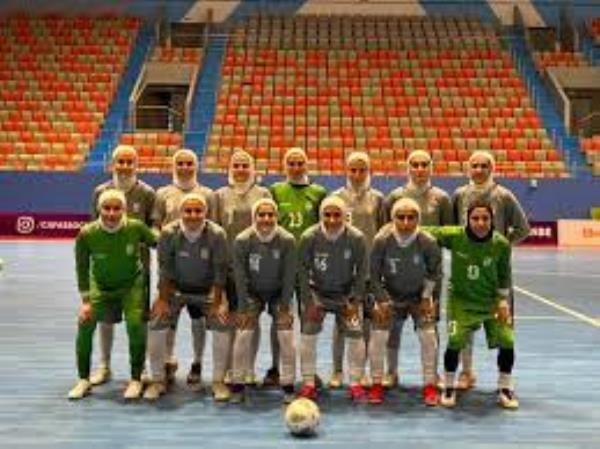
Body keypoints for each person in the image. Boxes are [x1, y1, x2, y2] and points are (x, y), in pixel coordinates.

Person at [425, 201, 519, 409]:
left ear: (492, 220)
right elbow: (424, 231)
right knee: (455, 340)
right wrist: (393, 227)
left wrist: (503, 300)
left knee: (507, 339)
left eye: (485, 218)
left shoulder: (501, 244)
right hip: (461, 301)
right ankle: (449, 386)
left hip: (491, 302)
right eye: (475, 218)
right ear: (467, 219)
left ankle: (505, 387)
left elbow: (504, 274)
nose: (480, 223)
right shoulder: (455, 236)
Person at [451, 150, 529, 390]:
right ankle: (466, 372)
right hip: (466, 272)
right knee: (464, 326)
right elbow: (454, 228)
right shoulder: (459, 195)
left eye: (484, 166)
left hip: (496, 275)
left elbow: (523, 228)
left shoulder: (503, 195)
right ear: (468, 169)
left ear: (492, 169)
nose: (479, 170)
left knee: (503, 325)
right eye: (474, 165)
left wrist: (501, 246)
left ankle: (504, 379)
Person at [68, 189, 156, 400]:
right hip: (100, 287)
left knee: (135, 325)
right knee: (85, 323)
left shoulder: (136, 227)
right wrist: (86, 301)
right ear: (99, 209)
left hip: (132, 286)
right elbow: (81, 268)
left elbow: (158, 242)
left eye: (117, 208)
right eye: (106, 208)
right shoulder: (87, 233)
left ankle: (136, 379)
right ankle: (83, 379)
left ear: (124, 209)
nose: (111, 213)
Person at [145, 193, 232, 401]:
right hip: (175, 290)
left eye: (198, 211)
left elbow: (220, 272)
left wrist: (218, 302)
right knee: (156, 320)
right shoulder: (168, 233)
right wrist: (162, 300)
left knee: (222, 321)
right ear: (180, 212)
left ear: (206, 213)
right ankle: (158, 380)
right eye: (188, 211)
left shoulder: (217, 234)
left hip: (208, 291)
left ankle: (218, 381)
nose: (193, 215)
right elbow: (165, 270)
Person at [382, 150, 453, 388]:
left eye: (424, 164)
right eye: (415, 164)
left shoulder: (442, 198)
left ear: (431, 167)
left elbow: (448, 235)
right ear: (408, 168)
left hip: (429, 275)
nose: (420, 169)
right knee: (392, 325)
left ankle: (433, 374)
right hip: (396, 273)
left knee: (430, 324)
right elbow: (386, 232)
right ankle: (391, 372)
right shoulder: (395, 197)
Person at [88, 145, 156, 386]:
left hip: (138, 270)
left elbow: (153, 228)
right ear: (112, 164)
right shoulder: (100, 191)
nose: (125, 167)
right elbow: (93, 229)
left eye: (130, 162)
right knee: (105, 318)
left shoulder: (147, 193)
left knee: (139, 320)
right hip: (107, 268)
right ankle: (104, 366)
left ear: (137, 165)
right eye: (121, 162)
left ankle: (142, 366)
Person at [152, 148, 217, 388]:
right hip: (172, 268)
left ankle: (197, 363)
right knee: (169, 316)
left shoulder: (208, 194)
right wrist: (163, 242)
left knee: (197, 317)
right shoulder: (162, 193)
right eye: (180, 163)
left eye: (189, 163)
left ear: (196, 166)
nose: (185, 167)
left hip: (200, 268)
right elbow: (155, 224)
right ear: (174, 166)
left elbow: (214, 228)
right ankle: (168, 360)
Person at [368, 198, 442, 405]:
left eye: (411, 217)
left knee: (428, 335)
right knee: (379, 334)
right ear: (393, 218)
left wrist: (427, 297)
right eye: (401, 217)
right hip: (390, 296)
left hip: (419, 297)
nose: (406, 222)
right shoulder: (382, 240)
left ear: (419, 219)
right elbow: (373, 274)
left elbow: (435, 272)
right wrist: (382, 300)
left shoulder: (427, 241)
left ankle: (429, 384)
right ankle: (380, 381)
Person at [297, 196, 368, 402]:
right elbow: (301, 271)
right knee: (308, 332)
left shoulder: (356, 238)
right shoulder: (309, 237)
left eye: (337, 215)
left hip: (346, 295)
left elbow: (362, 272)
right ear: (321, 215)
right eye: (327, 215)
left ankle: (355, 382)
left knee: (356, 333)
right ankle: (308, 383)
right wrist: (309, 302)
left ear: (345, 216)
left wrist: (355, 301)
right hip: (317, 294)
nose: (332, 219)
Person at [267, 147, 327, 386]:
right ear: (284, 166)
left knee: (308, 317)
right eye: (291, 163)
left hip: (308, 264)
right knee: (280, 316)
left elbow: (325, 227)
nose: (295, 167)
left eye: (299, 162)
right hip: (281, 262)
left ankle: (308, 370)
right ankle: (276, 367)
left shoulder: (319, 192)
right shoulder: (275, 190)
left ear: (306, 165)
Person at [230, 198, 297, 403]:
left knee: (286, 334)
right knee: (243, 333)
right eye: (261, 215)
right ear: (254, 217)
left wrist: (284, 307)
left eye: (271, 215)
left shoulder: (287, 240)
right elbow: (240, 277)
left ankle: (288, 385)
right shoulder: (242, 240)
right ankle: (238, 384)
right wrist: (242, 308)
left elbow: (289, 276)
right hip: (252, 293)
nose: (266, 219)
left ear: (276, 217)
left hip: (278, 293)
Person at [329, 151, 385, 388]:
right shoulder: (336, 198)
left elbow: (384, 234)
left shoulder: (378, 199)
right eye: (353, 170)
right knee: (341, 322)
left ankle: (361, 370)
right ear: (346, 171)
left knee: (366, 323)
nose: (358, 174)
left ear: (369, 171)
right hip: (343, 270)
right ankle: (337, 370)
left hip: (369, 269)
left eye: (362, 170)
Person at [215, 150, 271, 385]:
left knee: (251, 320)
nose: (240, 170)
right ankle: (230, 367)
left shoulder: (263, 194)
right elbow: (215, 231)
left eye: (245, 165)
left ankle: (248, 368)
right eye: (236, 165)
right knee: (229, 319)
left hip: (255, 268)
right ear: (230, 168)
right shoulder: (219, 195)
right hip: (228, 267)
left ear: (252, 169)